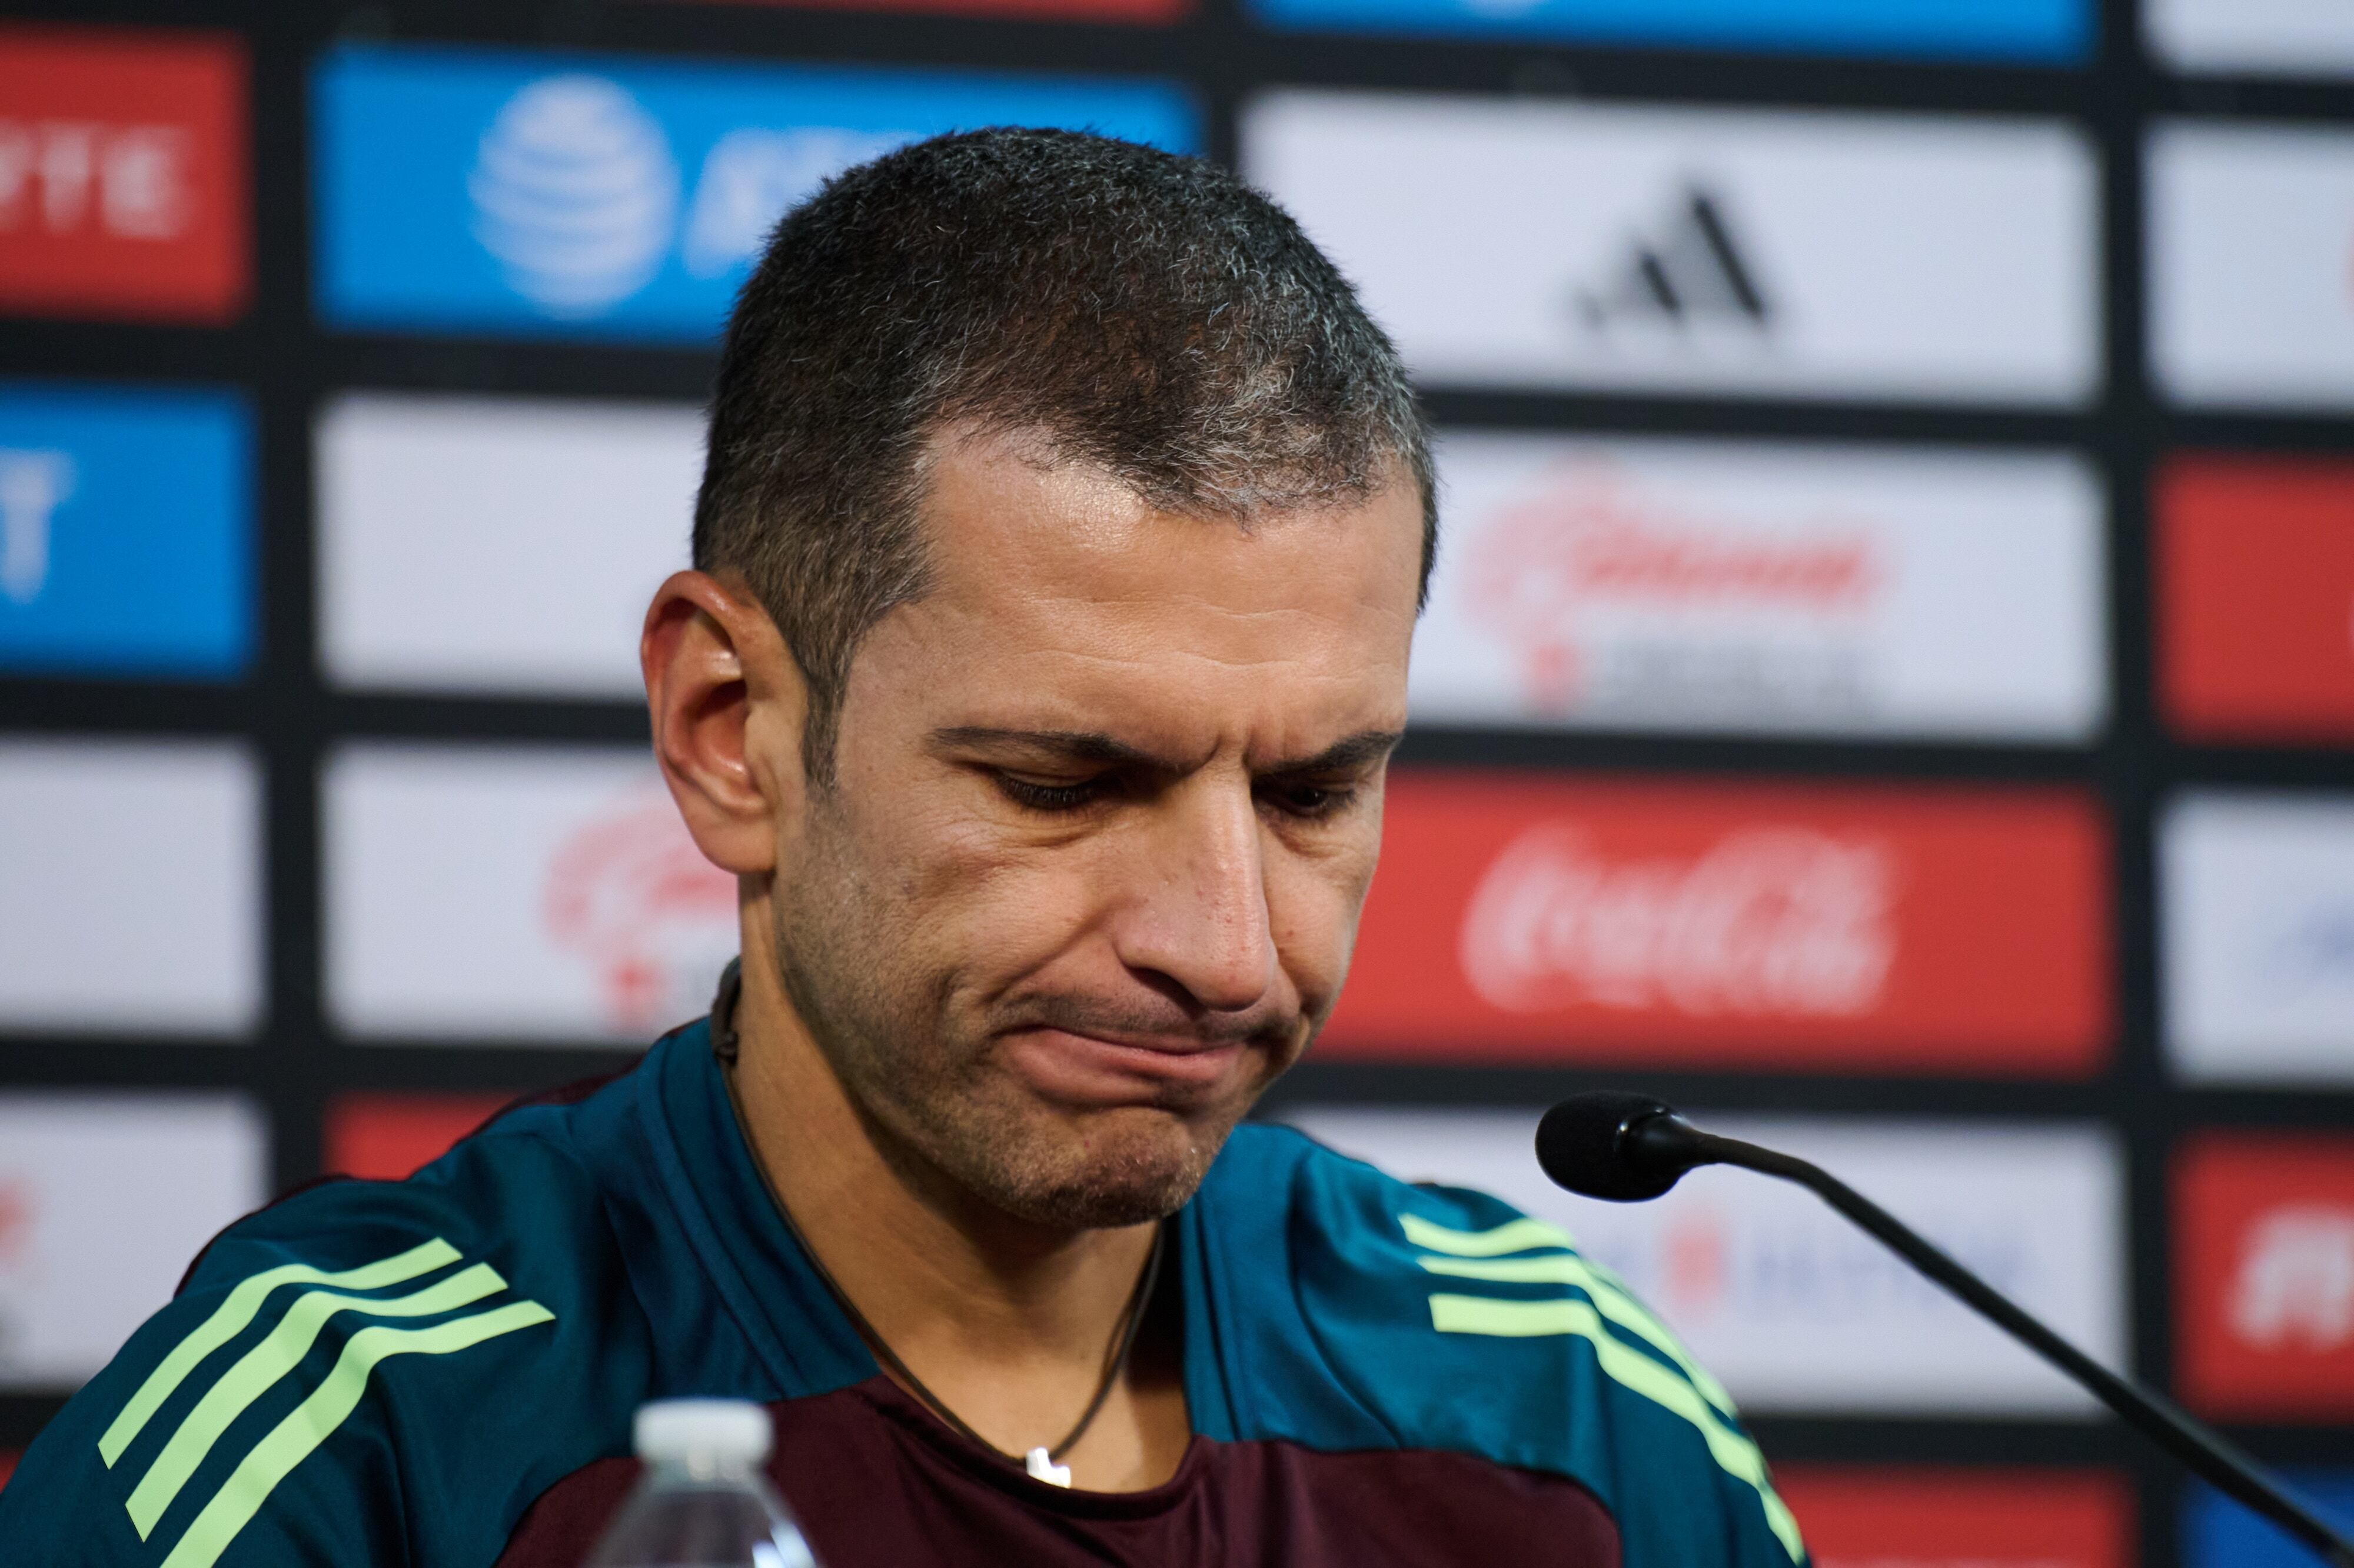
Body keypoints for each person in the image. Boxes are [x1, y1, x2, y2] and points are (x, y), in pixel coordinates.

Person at [0, 128, 1803, 1567]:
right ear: (731, 731)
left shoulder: (1575, 1421)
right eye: (1062, 782)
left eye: (1313, 794)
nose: (1227, 947)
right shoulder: (363, 1446)